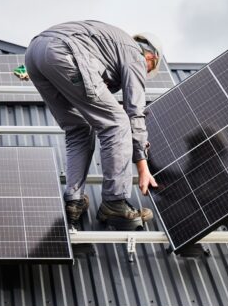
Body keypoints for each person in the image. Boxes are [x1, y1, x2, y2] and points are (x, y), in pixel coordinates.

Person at [25, 20, 160, 230]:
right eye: (148, 69)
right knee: (117, 123)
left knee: (78, 128)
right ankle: (115, 202)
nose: (144, 74)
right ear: (151, 57)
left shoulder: (109, 45)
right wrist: (143, 166)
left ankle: (74, 200)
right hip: (64, 51)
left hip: (34, 53)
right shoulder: (135, 54)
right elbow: (134, 111)